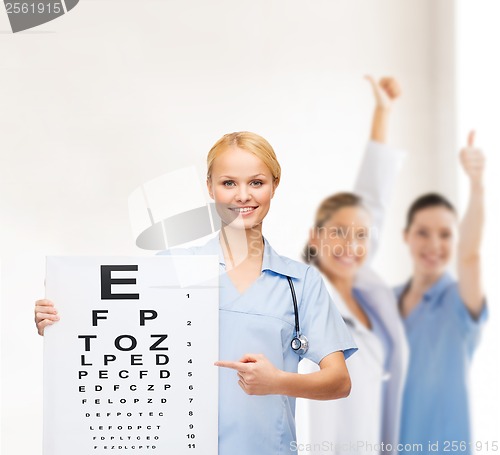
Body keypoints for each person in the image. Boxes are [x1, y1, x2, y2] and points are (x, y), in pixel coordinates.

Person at [35, 131, 357, 455]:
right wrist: (61, 322)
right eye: (228, 183)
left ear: (275, 184)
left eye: (256, 182)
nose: (243, 195)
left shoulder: (299, 283)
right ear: (210, 187)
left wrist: (277, 382)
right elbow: (114, 340)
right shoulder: (170, 270)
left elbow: (339, 382)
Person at [297, 76, 408, 455]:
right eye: (339, 233)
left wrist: (383, 110)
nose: (351, 245)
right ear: (316, 238)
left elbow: (373, 200)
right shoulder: (303, 301)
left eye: (360, 236)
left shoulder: (368, 294)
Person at [395, 131, 487, 454]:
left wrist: (476, 185)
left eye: (446, 235)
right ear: (406, 236)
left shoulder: (459, 301)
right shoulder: (386, 302)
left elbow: (471, 255)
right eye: (423, 233)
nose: (434, 245)